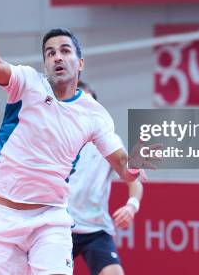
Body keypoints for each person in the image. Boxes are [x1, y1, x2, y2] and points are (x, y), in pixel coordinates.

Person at [0, 7, 143, 275]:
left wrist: (138, 163)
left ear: (80, 63)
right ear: (45, 63)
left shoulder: (94, 115)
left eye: (66, 51)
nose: (57, 56)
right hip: (1, 218)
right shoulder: (27, 83)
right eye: (51, 52)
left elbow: (124, 166)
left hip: (49, 220)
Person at [70, 82, 143, 275]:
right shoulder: (57, 139)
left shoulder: (109, 142)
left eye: (90, 103)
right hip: (58, 227)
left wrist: (131, 206)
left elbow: (133, 181)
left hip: (95, 230)